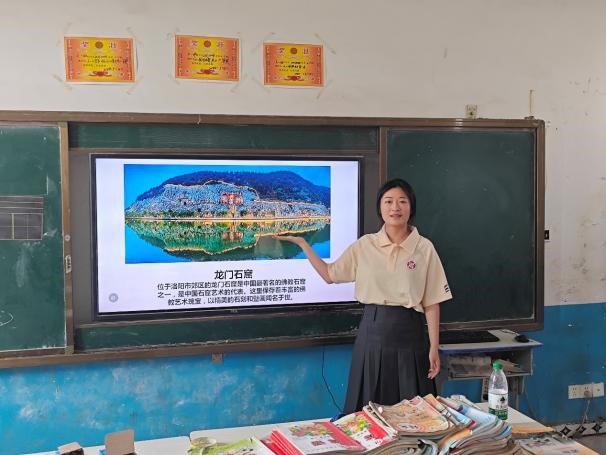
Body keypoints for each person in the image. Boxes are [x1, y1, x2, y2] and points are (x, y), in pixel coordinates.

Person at [274, 178, 452, 413]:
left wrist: (434, 346)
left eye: (402, 201)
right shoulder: (365, 245)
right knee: (368, 410)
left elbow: (432, 302)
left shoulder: (424, 248)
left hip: (411, 334)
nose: (395, 208)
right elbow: (329, 274)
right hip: (372, 331)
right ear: (380, 207)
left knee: (416, 413)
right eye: (388, 201)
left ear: (411, 207)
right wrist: (304, 244)